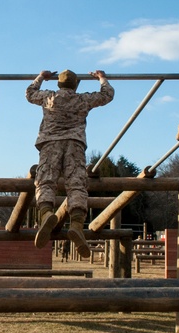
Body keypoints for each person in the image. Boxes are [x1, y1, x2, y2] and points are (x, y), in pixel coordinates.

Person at [28, 68, 115, 258]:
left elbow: (29, 93)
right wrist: (102, 78)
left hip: (50, 143)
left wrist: (41, 77)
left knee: (45, 180)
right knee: (76, 184)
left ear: (59, 84)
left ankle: (45, 215)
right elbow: (107, 95)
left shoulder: (49, 97)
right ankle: (76, 224)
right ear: (75, 85)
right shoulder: (82, 99)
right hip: (75, 144)